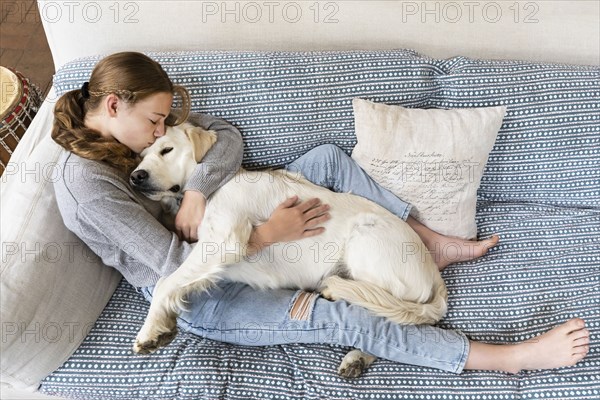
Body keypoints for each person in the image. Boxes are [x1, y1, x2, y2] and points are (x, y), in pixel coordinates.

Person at [51, 51, 589, 376]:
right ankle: (504, 358)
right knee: (333, 314)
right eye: (155, 119)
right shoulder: (89, 186)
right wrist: (267, 234)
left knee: (326, 159)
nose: (160, 130)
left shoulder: (129, 135)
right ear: (116, 105)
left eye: (165, 122)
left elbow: (227, 139)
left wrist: (196, 193)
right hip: (206, 287)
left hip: (222, 215)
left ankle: (426, 237)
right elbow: (172, 264)